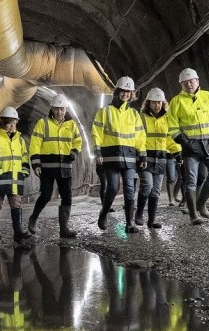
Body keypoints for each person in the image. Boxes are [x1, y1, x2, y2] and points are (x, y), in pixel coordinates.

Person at [166, 68, 209, 225]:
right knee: (191, 180)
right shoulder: (176, 102)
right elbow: (172, 126)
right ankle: (193, 215)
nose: (189, 84)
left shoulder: (208, 97)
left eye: (191, 81)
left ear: (197, 81)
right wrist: (184, 142)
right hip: (190, 148)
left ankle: (201, 204)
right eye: (185, 82)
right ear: (181, 84)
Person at [92, 76, 147, 233]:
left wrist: (142, 155)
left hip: (129, 158)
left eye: (128, 92)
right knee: (113, 187)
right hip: (110, 157)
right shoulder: (105, 111)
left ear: (131, 94)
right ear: (117, 92)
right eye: (122, 91)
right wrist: (97, 151)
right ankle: (104, 213)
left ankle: (129, 224)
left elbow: (140, 136)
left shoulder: (134, 114)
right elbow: (96, 132)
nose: (125, 94)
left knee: (130, 190)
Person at [27, 94, 83, 238]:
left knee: (67, 197)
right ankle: (33, 218)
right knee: (46, 195)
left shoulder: (71, 125)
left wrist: (74, 153)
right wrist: (36, 163)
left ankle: (64, 229)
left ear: (66, 110)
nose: (59, 112)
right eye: (57, 109)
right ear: (52, 109)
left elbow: (78, 141)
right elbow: (35, 144)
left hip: (65, 166)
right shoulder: (43, 123)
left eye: (62, 109)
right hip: (47, 166)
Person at [0, 106, 33, 243]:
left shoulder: (20, 141)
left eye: (14, 123)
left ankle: (18, 233)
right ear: (3, 122)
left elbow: (24, 156)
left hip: (15, 179)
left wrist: (25, 169)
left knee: (16, 204)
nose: (12, 125)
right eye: (10, 122)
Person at [135, 88, 171, 228]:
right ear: (148, 103)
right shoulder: (141, 118)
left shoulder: (167, 118)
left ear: (163, 103)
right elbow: (138, 138)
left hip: (161, 158)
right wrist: (141, 154)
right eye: (154, 102)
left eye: (159, 102)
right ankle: (139, 214)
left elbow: (170, 138)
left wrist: (176, 152)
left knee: (156, 190)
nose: (157, 105)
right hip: (145, 158)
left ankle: (152, 220)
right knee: (147, 185)